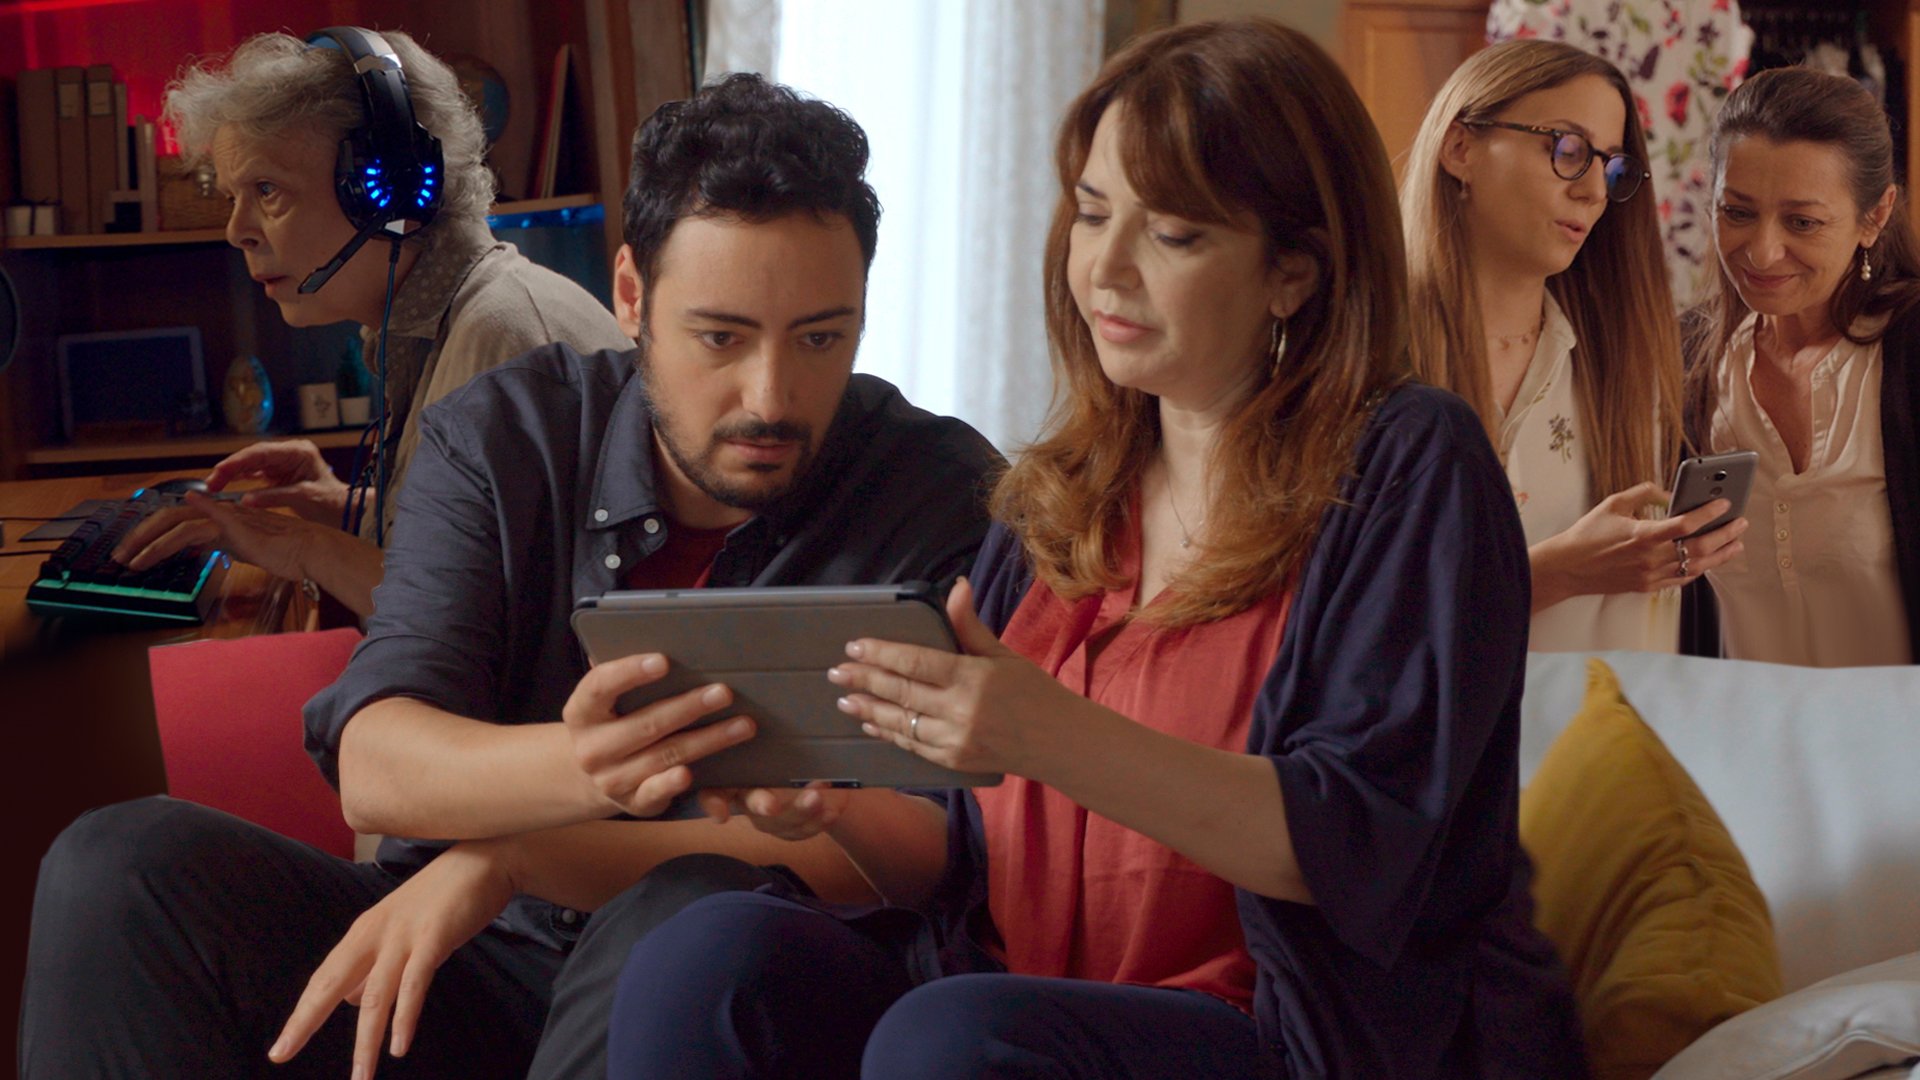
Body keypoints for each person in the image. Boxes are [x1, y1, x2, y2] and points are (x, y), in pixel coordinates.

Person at [600, 19, 1587, 1078]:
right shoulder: (1061, 493)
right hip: (1018, 1003)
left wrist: (1046, 732)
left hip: (1283, 1038)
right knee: (706, 954)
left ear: (1293, 273)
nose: (1106, 269)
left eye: (1174, 235)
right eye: (1093, 212)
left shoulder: (1409, 463)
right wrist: (831, 809)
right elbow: (963, 860)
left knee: (956, 1039)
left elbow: (1362, 845)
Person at [20, 74, 1000, 1080]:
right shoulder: (505, 434)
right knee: (119, 866)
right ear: (632, 297)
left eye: (821, 338)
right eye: (721, 337)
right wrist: (584, 768)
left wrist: (517, 855)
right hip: (470, 957)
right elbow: (378, 762)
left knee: (694, 909)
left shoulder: (934, 489)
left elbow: (928, 852)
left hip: (719, 979)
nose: (771, 397)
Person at [111, 29, 633, 618]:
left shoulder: (505, 346)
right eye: (235, 196)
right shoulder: (449, 319)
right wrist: (349, 507)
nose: (237, 231)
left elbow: (478, 619)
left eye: (267, 190)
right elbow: (478, 550)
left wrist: (303, 545)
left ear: (390, 193)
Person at [1401, 40, 1746, 652]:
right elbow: (1331, 622)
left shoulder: (1627, 367)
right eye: (1567, 149)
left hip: (1601, 713)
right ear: (1460, 148)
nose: (1593, 191)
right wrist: (1555, 574)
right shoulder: (1369, 358)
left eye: (1610, 167)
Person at [1684, 65, 1920, 665]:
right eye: (1738, 212)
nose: (1763, 253)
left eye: (1803, 222)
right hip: (1734, 718)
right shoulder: (1684, 360)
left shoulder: (1908, 355)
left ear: (1876, 216)